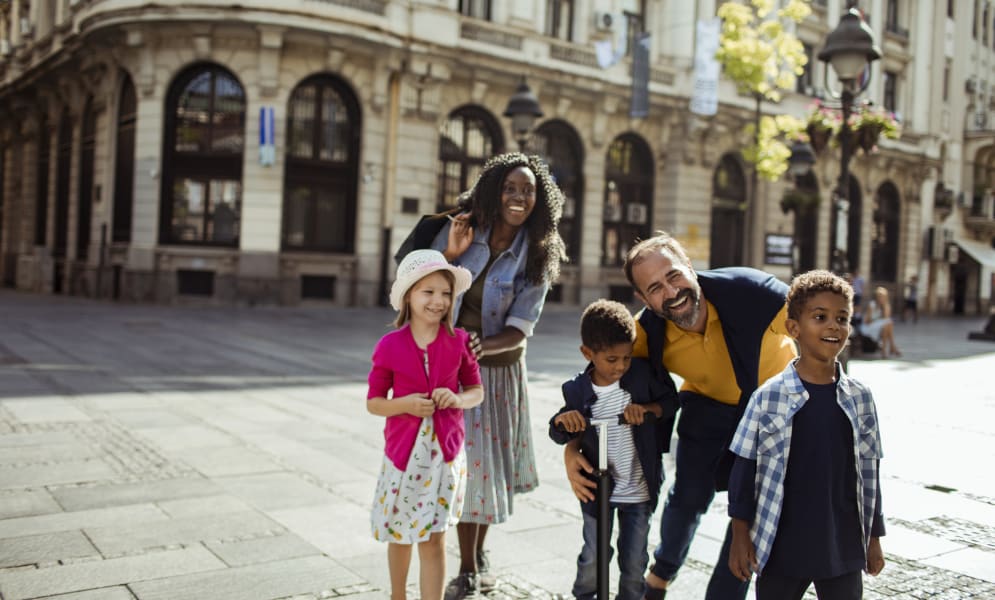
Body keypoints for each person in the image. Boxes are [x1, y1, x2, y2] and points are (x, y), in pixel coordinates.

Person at [564, 232, 797, 600]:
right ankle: (661, 575)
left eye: (674, 276)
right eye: (655, 288)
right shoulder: (646, 332)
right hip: (705, 407)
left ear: (690, 267)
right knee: (686, 501)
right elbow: (593, 385)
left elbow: (816, 322)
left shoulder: (750, 292)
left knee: (750, 519)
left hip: (772, 412)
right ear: (643, 299)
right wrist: (572, 447)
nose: (671, 293)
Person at [431, 153, 567, 599]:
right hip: (449, 369)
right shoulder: (465, 230)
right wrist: (449, 254)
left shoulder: (538, 254)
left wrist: (479, 347)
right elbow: (424, 281)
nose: (519, 197)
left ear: (539, 199)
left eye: (528, 191)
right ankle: (472, 563)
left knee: (482, 471)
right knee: (458, 467)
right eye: (510, 188)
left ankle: (470, 565)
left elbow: (521, 326)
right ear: (494, 190)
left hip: (495, 375)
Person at [727, 270, 886, 599]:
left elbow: (870, 472)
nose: (833, 326)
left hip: (841, 545)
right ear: (794, 327)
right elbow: (743, 469)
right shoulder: (768, 397)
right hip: (781, 545)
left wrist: (874, 537)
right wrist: (739, 535)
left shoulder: (860, 398)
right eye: (820, 317)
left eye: (842, 318)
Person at [366, 249, 484, 600]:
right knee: (400, 534)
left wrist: (458, 399)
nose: (438, 301)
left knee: (435, 538)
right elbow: (374, 403)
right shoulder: (389, 345)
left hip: (445, 459)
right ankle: (398, 595)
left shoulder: (460, 341)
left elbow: (476, 391)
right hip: (403, 459)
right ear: (408, 295)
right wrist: (405, 405)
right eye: (428, 292)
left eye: (445, 293)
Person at [549, 299, 678, 600]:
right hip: (597, 491)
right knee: (593, 555)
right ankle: (584, 595)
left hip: (638, 490)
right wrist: (562, 421)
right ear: (588, 354)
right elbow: (558, 431)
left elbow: (671, 403)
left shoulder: (643, 376)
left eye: (626, 358)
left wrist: (647, 409)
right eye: (611, 359)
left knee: (634, 562)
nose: (620, 366)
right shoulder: (576, 389)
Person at [861, 286, 901, 358]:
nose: (881, 298)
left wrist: (885, 305)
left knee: (886, 326)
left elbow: (886, 317)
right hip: (869, 326)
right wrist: (877, 319)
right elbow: (867, 321)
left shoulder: (885, 305)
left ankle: (885, 350)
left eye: (882, 296)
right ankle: (892, 347)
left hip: (880, 326)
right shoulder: (872, 305)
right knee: (888, 323)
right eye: (879, 296)